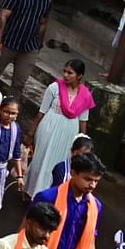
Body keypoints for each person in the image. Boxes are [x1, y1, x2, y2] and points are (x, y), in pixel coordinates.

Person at [26, 59, 93, 194]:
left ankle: (52, 194)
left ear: (79, 76)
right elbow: (41, 112)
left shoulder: (85, 95)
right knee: (40, 160)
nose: (65, 75)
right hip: (49, 127)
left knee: (59, 163)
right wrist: (31, 134)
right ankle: (31, 192)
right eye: (65, 71)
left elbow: (83, 120)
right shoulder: (54, 87)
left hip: (69, 133)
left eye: (70, 73)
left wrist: (84, 143)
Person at [0, 0, 55, 100]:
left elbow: (43, 22)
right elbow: (4, 15)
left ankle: (9, 111)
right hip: (9, 42)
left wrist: (39, 44)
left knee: (19, 84)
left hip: (29, 47)